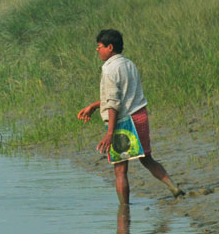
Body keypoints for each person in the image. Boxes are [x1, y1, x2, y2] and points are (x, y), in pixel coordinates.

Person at [77, 29, 184, 204]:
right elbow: (122, 96)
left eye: (100, 47)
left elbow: (114, 103)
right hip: (140, 116)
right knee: (147, 159)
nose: (97, 50)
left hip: (123, 121)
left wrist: (110, 133)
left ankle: (124, 210)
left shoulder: (110, 69)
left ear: (110, 47)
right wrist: (94, 106)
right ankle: (174, 187)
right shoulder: (129, 64)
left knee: (120, 170)